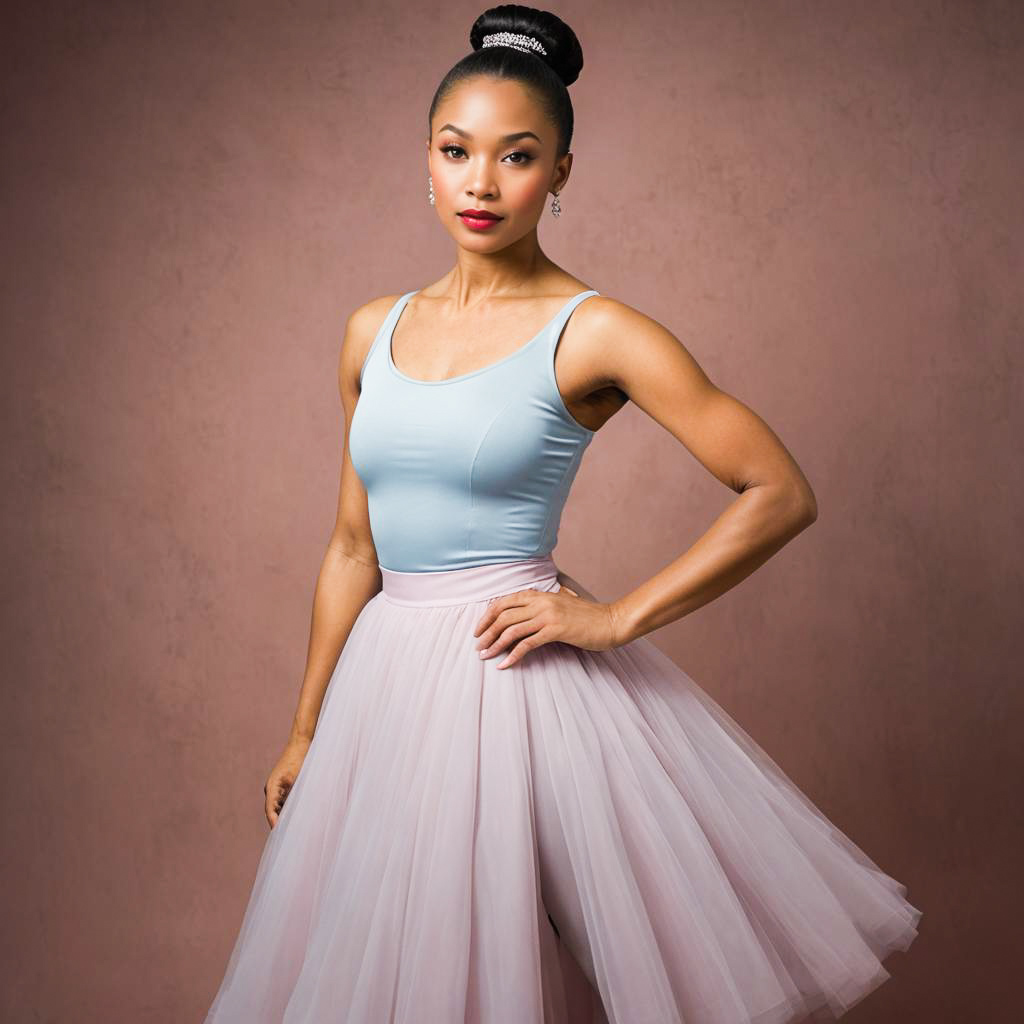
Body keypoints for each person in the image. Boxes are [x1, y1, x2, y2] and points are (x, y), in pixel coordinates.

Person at [204, 6, 922, 1022]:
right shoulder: (372, 329)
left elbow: (778, 489)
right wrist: (306, 726)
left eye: (517, 156)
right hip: (382, 694)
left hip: (516, 681)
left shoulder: (598, 334)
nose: (481, 184)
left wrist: (616, 617)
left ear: (562, 171)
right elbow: (353, 545)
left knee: (502, 970)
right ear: (428, 159)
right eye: (458, 152)